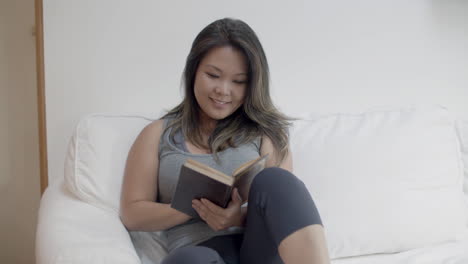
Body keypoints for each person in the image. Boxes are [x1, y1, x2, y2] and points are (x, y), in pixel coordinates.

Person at [120, 18, 330, 264]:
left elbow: (280, 209)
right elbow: (131, 213)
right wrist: (187, 208)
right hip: (198, 251)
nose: (223, 90)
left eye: (238, 82)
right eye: (213, 75)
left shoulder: (267, 134)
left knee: (277, 180)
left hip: (259, 250)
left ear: (251, 85)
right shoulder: (157, 134)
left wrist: (235, 218)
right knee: (189, 260)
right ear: (193, 71)